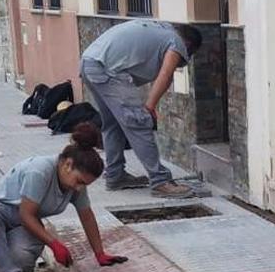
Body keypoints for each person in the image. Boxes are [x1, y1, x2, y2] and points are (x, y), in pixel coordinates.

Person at [0, 123, 127, 272]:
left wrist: (99, 253)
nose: (80, 188)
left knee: (22, 266)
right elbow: (27, 215)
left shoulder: (75, 185)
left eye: (85, 185)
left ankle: (10, 266)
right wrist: (54, 244)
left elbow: (87, 216)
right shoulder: (40, 171)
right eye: (80, 181)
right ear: (67, 165)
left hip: (21, 223)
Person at [80, 19, 203, 198]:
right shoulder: (176, 41)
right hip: (107, 70)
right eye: (189, 54)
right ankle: (160, 182)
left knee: (112, 124)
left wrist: (150, 105)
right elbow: (166, 73)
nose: (185, 59)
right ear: (189, 44)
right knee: (139, 123)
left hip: (90, 62)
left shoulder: (162, 29)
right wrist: (149, 107)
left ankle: (115, 176)